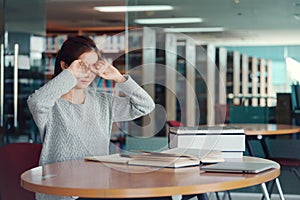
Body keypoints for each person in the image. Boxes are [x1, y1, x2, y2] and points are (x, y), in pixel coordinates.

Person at [27, 35, 155, 200]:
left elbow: (145, 105)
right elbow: (36, 102)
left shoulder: (103, 102)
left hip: (98, 189)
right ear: (65, 66)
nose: (88, 73)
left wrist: (119, 78)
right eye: (82, 66)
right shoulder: (51, 105)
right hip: (63, 193)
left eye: (92, 66)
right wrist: (70, 75)